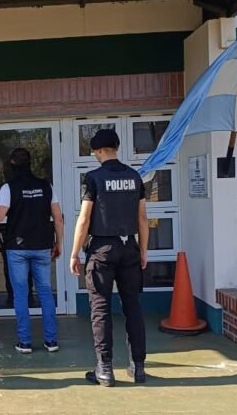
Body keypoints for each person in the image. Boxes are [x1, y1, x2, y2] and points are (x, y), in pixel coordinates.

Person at [69, 128, 149, 387]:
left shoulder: (94, 178)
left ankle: (104, 368)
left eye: (94, 151)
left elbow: (84, 219)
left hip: (102, 250)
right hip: (129, 248)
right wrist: (143, 251)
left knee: (100, 308)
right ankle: (138, 367)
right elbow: (142, 218)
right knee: (133, 307)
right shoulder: (134, 176)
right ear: (116, 147)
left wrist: (74, 253)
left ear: (99, 151)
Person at [0, 148, 64, 354]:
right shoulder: (46, 186)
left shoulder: (8, 187)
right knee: (45, 292)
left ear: (12, 165)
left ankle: (25, 342)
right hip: (43, 245)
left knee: (21, 294)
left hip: (17, 248)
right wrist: (59, 243)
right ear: (30, 163)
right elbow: (58, 217)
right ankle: (51, 341)